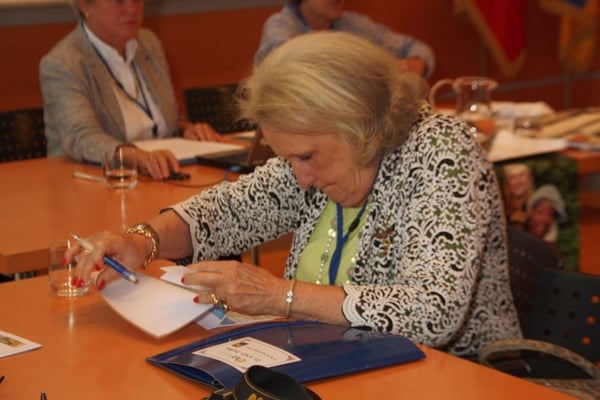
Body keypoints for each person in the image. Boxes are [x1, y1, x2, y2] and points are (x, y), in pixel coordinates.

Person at [67, 31, 520, 357]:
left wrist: (279, 295)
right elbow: (225, 212)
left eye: (305, 156)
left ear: (357, 124)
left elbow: (433, 312)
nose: (299, 177)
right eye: (290, 159)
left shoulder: (442, 151)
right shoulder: (318, 159)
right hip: (336, 362)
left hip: (454, 375)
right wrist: (140, 241)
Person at [40, 0, 222, 180]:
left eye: (137, 0)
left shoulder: (148, 44)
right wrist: (137, 157)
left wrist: (186, 130)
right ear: (84, 5)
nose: (131, 9)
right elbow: (81, 138)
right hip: (95, 183)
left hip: (162, 176)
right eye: (119, 1)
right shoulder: (63, 63)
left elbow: (157, 121)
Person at [254, 0, 435, 78]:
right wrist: (378, 68)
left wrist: (414, 64)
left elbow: (417, 48)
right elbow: (297, 75)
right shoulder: (280, 26)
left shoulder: (354, 24)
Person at [501, 163, 534, 229]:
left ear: (529, 179)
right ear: (507, 182)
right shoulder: (501, 206)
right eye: (513, 177)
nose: (518, 182)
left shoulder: (537, 205)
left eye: (522, 175)